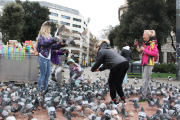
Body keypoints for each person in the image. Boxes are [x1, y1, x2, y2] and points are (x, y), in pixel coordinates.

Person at [90, 39, 129, 104]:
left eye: (96, 49)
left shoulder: (101, 51)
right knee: (118, 83)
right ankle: (122, 99)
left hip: (117, 65)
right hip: (125, 63)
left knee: (111, 82)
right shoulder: (109, 50)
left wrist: (92, 69)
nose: (96, 51)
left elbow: (98, 62)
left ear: (98, 47)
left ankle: (113, 100)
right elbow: (107, 63)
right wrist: (99, 69)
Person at [36, 21, 62, 95]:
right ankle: (38, 90)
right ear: (45, 30)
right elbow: (46, 43)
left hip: (48, 58)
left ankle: (45, 90)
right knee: (43, 75)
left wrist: (60, 44)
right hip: (43, 57)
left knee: (47, 75)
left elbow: (53, 46)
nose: (49, 31)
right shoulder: (41, 37)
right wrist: (54, 39)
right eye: (48, 30)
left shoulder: (49, 38)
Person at [134, 30, 158, 101]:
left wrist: (144, 50)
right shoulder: (145, 44)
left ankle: (143, 97)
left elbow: (154, 53)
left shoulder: (152, 44)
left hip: (149, 63)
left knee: (145, 80)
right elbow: (140, 52)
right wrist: (137, 46)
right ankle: (149, 96)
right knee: (146, 80)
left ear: (148, 36)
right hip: (144, 63)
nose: (143, 36)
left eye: (144, 35)